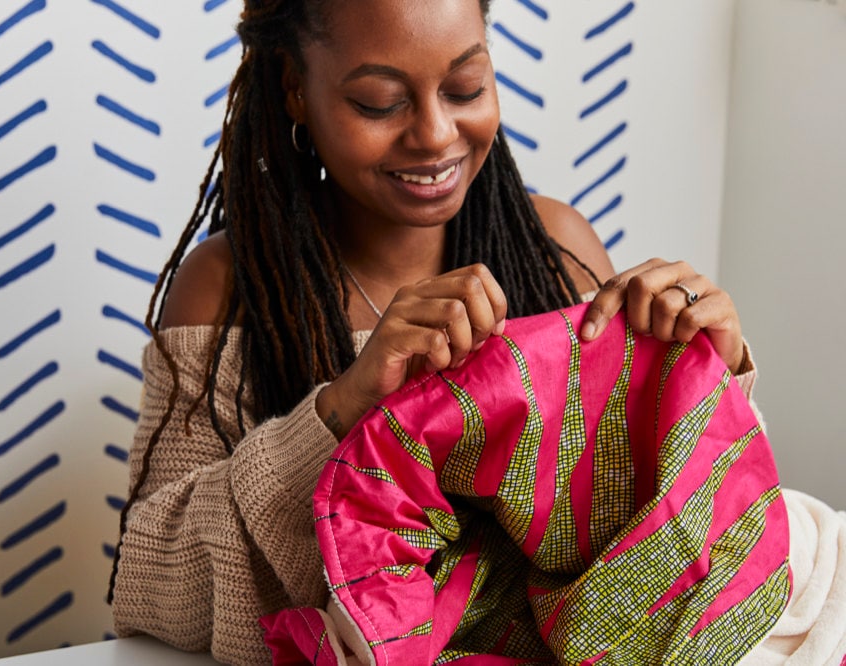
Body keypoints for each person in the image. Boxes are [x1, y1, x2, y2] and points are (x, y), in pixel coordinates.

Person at [107, 1, 751, 664]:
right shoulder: (230, 288)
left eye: (466, 87)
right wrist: (342, 408)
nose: (437, 133)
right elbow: (151, 581)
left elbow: (643, 547)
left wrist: (708, 378)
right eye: (380, 102)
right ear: (295, 88)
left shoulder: (555, 250)